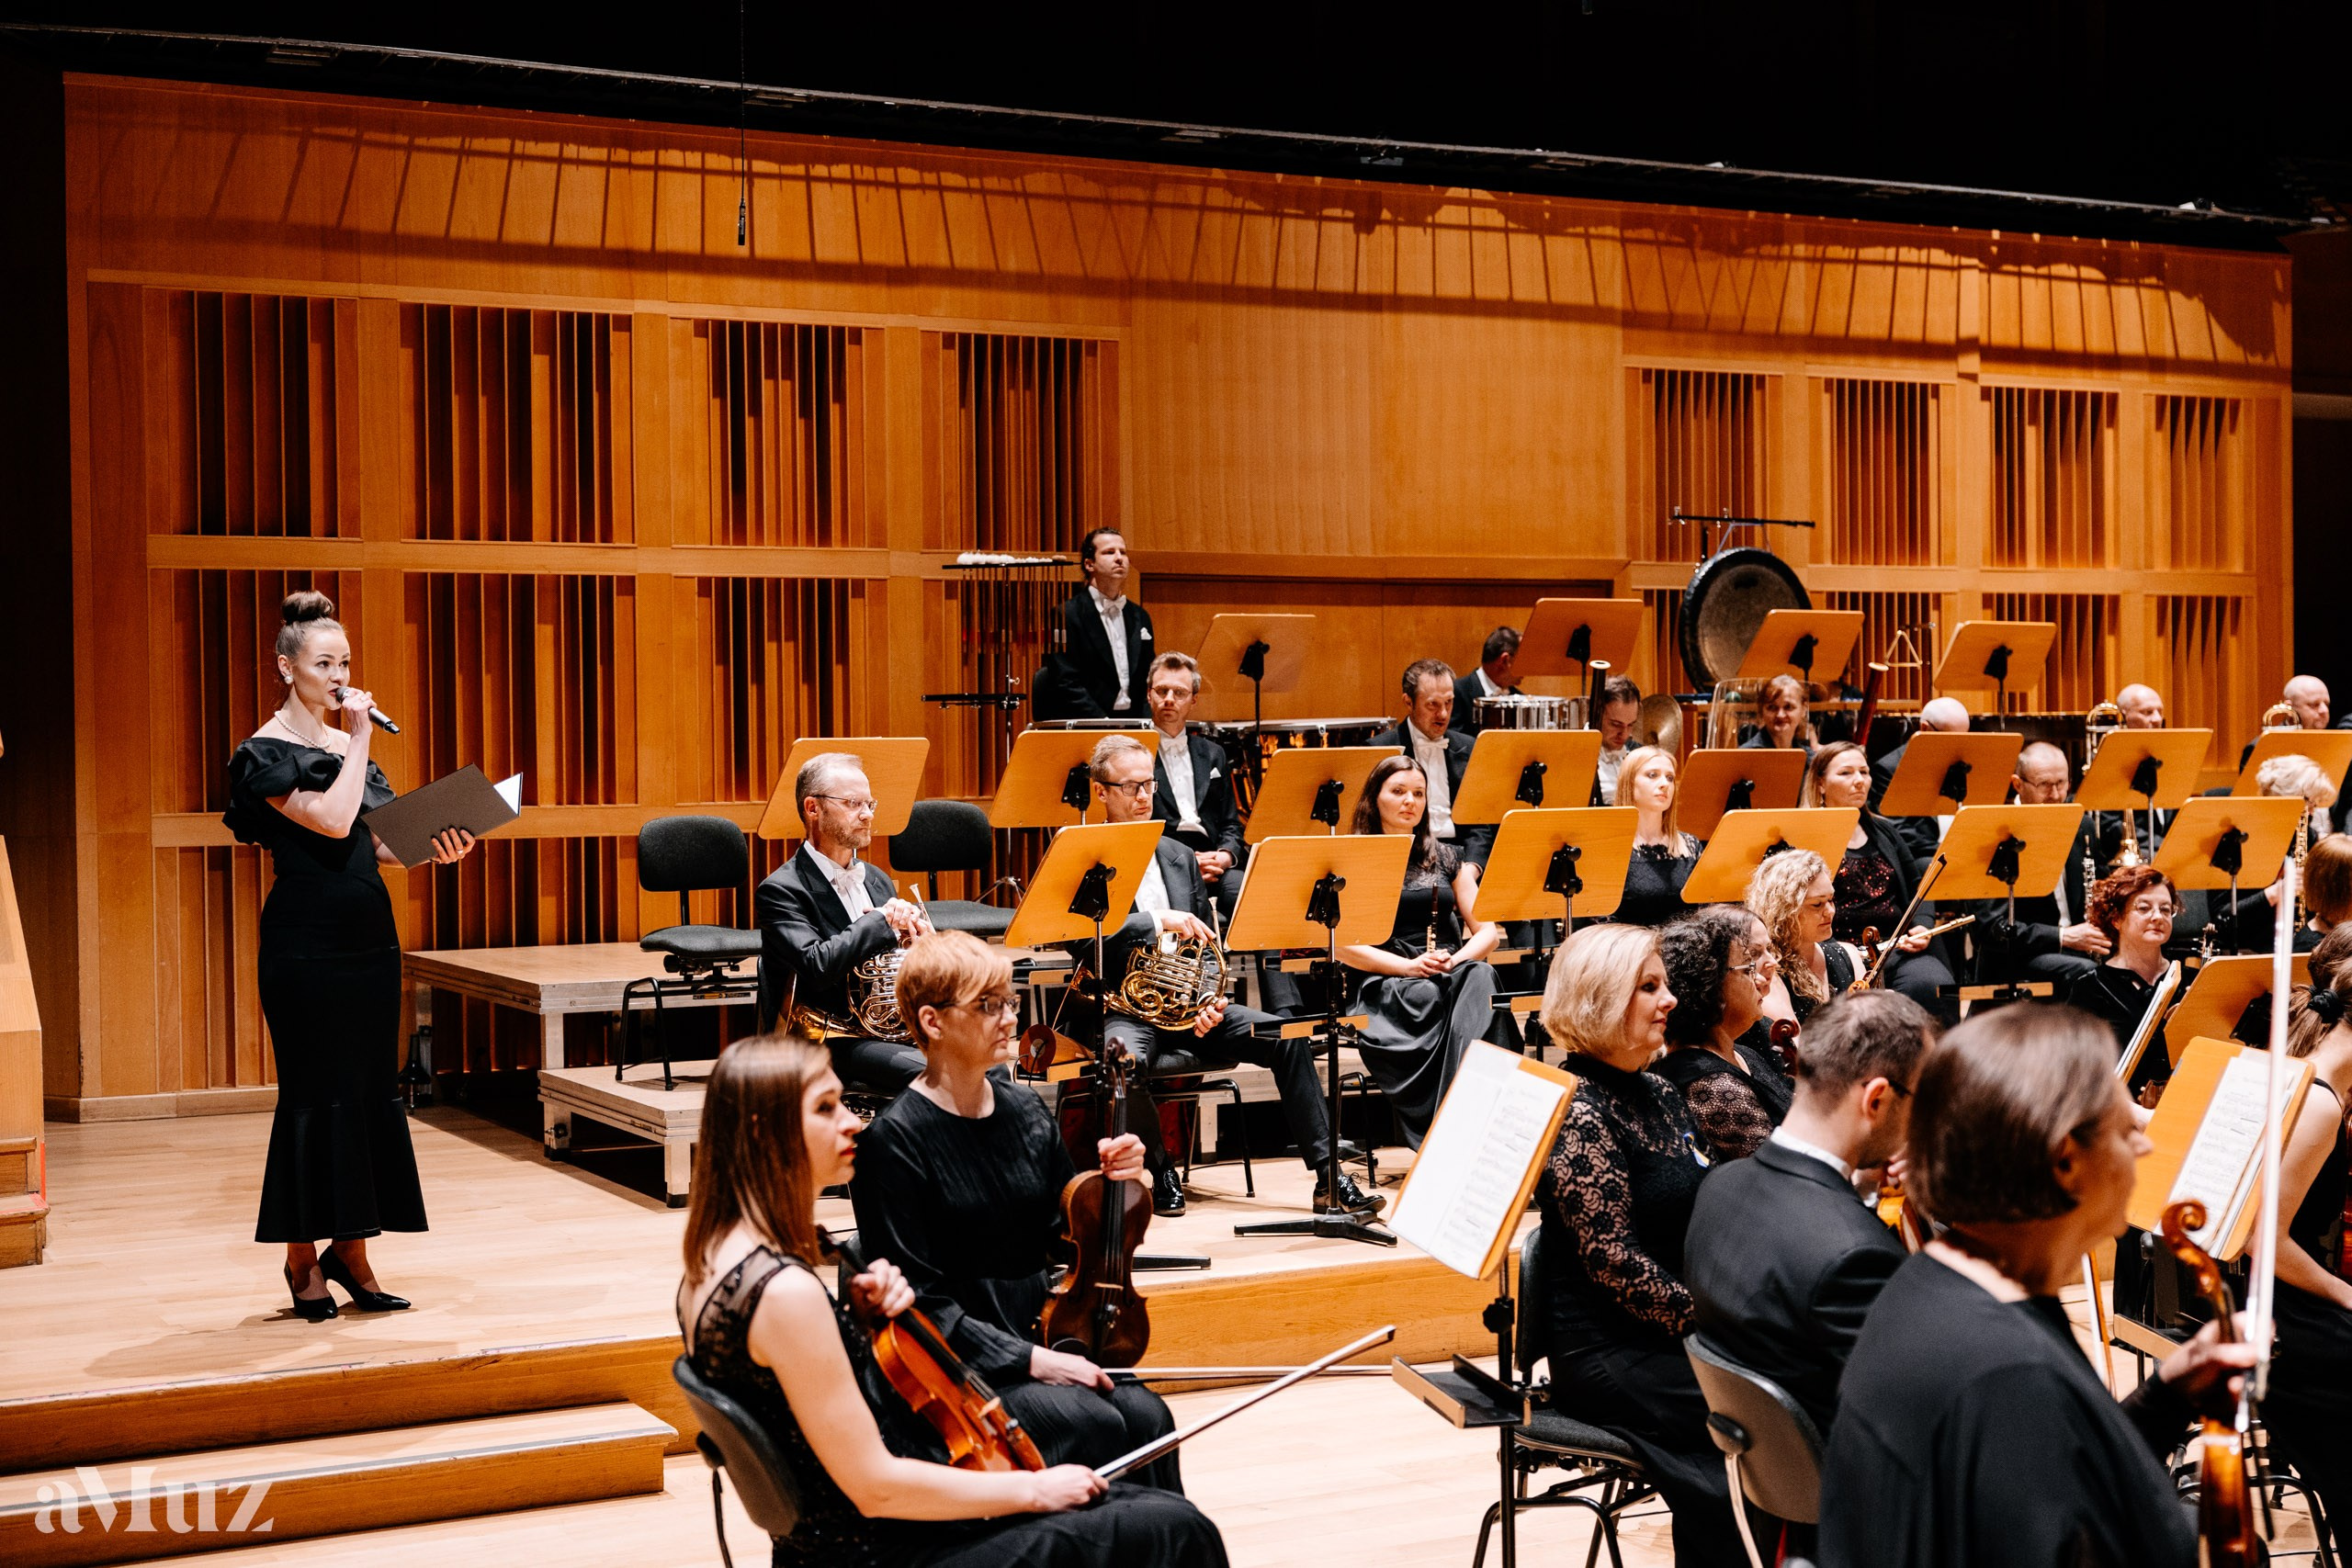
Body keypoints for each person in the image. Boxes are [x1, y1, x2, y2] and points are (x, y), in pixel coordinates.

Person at [680, 1032, 1226, 1567]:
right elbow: (876, 1487)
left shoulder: (709, 1266)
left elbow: (788, 1403)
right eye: (825, 1108)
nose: (851, 1121)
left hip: (845, 1540)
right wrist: (1034, 1491)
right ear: (764, 1132)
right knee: (1175, 1529)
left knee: (1144, 1501)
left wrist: (857, 1319)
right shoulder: (786, 1293)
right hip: (885, 1548)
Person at [1817, 1004, 2257, 1568]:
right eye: (2126, 1130)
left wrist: (2167, 1392)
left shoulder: (1946, 1278)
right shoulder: (2008, 1376)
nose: (2145, 1147)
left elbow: (2072, 1469)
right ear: (2065, 1161)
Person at [849, 933, 1186, 1491]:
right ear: (933, 1022)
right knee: (1093, 1422)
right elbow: (919, 1307)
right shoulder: (893, 1143)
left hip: (1043, 1331)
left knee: (1152, 1419)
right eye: (988, 1006)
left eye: (1010, 1001)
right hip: (958, 1363)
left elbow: (1064, 1241)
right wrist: (1032, 1361)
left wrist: (1121, 1184)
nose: (1010, 1019)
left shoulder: (1026, 1108)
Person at [225, 590, 476, 1322]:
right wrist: (358, 733)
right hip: (305, 947)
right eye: (324, 662)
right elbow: (333, 822)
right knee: (312, 1098)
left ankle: (353, 1249)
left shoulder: (347, 748)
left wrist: (442, 841)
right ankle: (302, 1257)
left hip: (369, 941)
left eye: (345, 662)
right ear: (286, 666)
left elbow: (381, 844)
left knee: (368, 1096)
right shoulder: (262, 752)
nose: (339, 675)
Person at [1069, 736, 1378, 1217]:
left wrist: (1211, 1000)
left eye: (1149, 784)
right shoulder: (1081, 856)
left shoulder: (1175, 855)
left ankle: (1329, 1176)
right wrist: (1155, 921)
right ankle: (1161, 1165)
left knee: (1287, 1037)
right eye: (1130, 787)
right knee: (1125, 1061)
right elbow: (1078, 940)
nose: (1144, 796)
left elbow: (1207, 948)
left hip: (1192, 1009)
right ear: (1101, 792)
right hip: (1122, 1010)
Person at [1532, 923, 1746, 1566]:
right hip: (1607, 1347)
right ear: (1600, 998)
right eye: (1648, 987)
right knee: (1759, 1407)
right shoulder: (1578, 1111)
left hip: (1670, 1330)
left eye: (1665, 984)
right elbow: (1615, 1265)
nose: (1670, 1000)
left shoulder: (1659, 1091)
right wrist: (1718, 1321)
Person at [1684, 988, 1928, 1436]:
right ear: (1876, 1100)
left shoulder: (1719, 1188)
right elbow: (1929, 1400)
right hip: (1851, 1483)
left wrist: (1863, 1190)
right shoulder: (1855, 1256)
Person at [1338, 753, 1507, 1149]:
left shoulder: (1447, 857)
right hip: (1385, 980)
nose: (1410, 801)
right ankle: (1477, 1130)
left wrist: (1455, 958)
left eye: (1418, 793)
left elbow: (1489, 934)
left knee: (1479, 975)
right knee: (1469, 995)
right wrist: (1409, 967)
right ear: (1373, 799)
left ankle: (1456, 1128)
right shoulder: (1351, 856)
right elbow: (1341, 945)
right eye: (1398, 792)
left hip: (1446, 969)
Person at [756, 752, 933, 1093]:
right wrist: (882, 921)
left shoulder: (877, 880)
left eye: (870, 804)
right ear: (813, 808)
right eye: (853, 803)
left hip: (886, 1033)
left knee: (987, 1064)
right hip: (829, 1041)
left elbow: (890, 966)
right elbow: (817, 965)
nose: (867, 815)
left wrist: (919, 944)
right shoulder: (781, 890)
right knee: (940, 1074)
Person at [2262, 921, 2352, 1529]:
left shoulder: (2329, 1080)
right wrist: (2345, 1293)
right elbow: (2261, 1239)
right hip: (2286, 1316)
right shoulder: (2317, 1098)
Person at [1804, 741, 1955, 1017]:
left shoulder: (1884, 830)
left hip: (1893, 946)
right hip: (1836, 950)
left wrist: (1921, 927)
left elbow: (1918, 884)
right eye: (1846, 773)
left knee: (1934, 985)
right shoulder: (1807, 836)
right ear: (1820, 784)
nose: (1859, 781)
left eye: (1864, 771)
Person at [1651, 907, 1794, 1162]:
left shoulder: (1743, 1053)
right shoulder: (1710, 1085)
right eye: (1748, 969)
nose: (1759, 980)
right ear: (1710, 984)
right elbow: (1779, 1171)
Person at [1968, 740, 2104, 986]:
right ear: (2017, 785)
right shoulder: (1995, 833)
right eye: (2044, 785)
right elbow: (1991, 928)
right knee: (2087, 974)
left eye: (2061, 784)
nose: (2055, 795)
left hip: (2080, 946)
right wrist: (2063, 936)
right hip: (2020, 956)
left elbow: (2101, 886)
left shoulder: (2081, 825)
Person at [2065, 864, 2179, 1101]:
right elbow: (2080, 1076)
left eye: (2166, 910)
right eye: (2144, 908)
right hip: (2117, 1117)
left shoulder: (2189, 978)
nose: (2158, 917)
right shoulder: (2090, 988)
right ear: (2116, 918)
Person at [1143, 652, 1243, 914]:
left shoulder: (1213, 753)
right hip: (1164, 861)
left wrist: (1224, 856)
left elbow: (1231, 822)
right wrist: (1186, 862)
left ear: (1193, 700)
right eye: (1162, 690)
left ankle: (1273, 958)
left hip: (1212, 860)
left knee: (1248, 895)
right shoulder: (1136, 753)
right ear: (1149, 695)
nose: (1169, 699)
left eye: (1179, 693)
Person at [1374, 659, 1487, 866]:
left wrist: (1472, 868)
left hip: (1462, 857)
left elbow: (1480, 825)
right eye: (1432, 704)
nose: (1443, 714)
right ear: (1408, 702)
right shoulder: (1381, 750)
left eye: (1449, 702)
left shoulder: (1471, 748)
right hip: (1407, 857)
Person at [2223, 751, 2343, 951]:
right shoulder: (2236, 840)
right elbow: (2223, 919)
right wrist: (2277, 892)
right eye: (2307, 802)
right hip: (2250, 951)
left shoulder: (2307, 835)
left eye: (2314, 805)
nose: (2311, 812)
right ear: (2281, 796)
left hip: (2299, 948)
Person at [1033, 528, 1155, 720]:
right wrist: (1102, 723)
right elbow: (1065, 680)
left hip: (1134, 723)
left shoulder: (1140, 616)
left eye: (1123, 552)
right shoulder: (1065, 615)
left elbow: (1149, 677)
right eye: (1109, 552)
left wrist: (1146, 721)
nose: (1119, 558)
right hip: (1086, 722)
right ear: (1089, 564)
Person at [1746, 848, 1861, 1031]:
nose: (1830, 911)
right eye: (1817, 904)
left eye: (1831, 900)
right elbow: (1794, 1046)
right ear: (1784, 910)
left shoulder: (1850, 957)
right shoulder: (1768, 973)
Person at [1866, 695, 1972, 862]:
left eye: (1964, 736)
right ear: (1925, 728)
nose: (1957, 744)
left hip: (1963, 846)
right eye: (1950, 736)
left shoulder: (1965, 761)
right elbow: (1897, 829)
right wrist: (1947, 851)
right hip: (1924, 854)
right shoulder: (1889, 768)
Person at [1609, 744, 1702, 927]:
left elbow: (1704, 911)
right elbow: (1599, 920)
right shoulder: (1611, 848)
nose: (1664, 784)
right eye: (1652, 775)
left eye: (1670, 778)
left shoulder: (1691, 846)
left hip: (1683, 950)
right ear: (1629, 782)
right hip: (1629, 951)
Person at [1451, 626, 1521, 733]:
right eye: (1523, 660)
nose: (1528, 668)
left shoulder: (1519, 698)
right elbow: (1453, 742)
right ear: (1505, 660)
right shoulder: (1457, 692)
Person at [1593, 674, 1643, 807]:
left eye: (1631, 725)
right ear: (1596, 713)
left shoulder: (1638, 753)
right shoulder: (1574, 752)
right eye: (1616, 724)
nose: (1625, 734)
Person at [1739, 673, 1812, 752]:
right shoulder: (1745, 755)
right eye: (1772, 707)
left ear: (1804, 710)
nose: (1780, 715)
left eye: (1788, 707)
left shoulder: (1811, 760)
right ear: (1761, 710)